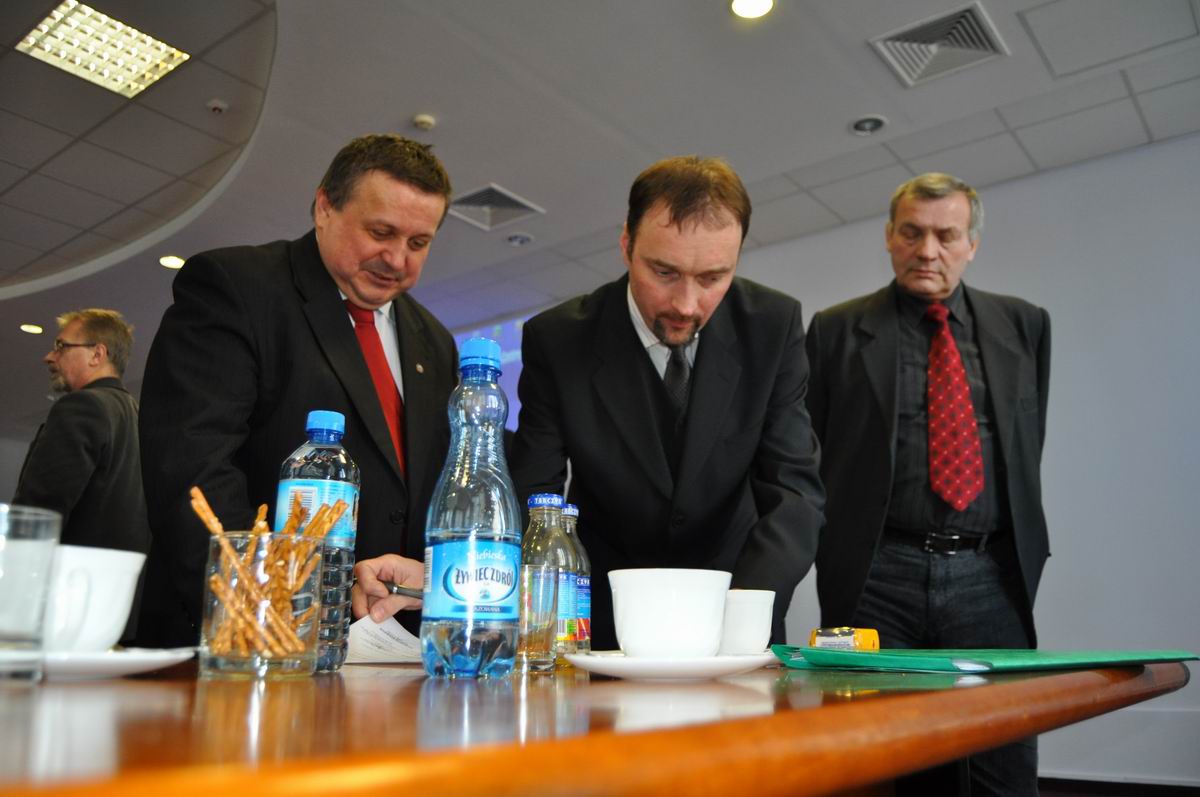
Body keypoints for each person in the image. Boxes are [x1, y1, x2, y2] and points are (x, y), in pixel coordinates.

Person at [137, 135, 456, 646]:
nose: (397, 259)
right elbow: (192, 469)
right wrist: (272, 615)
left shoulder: (435, 341)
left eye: (418, 243)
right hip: (245, 633)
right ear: (324, 207)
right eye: (381, 232)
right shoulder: (236, 286)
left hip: (386, 646)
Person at [506, 155, 825, 650]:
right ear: (626, 245)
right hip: (603, 615)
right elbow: (536, 493)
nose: (686, 305)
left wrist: (743, 612)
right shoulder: (558, 340)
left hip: (735, 604)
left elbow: (794, 494)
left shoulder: (772, 326)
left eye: (713, 277)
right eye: (664, 272)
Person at [805, 172, 1050, 795]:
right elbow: (811, 455)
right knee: (879, 762)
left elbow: (1027, 444)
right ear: (890, 236)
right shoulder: (835, 330)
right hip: (876, 579)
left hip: (990, 577)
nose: (928, 250)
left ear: (972, 244)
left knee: (1004, 765)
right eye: (912, 233)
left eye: (947, 235)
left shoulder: (1025, 325)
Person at [14, 309, 149, 643]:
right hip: (118, 612)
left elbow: (40, 512)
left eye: (61, 346)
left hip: (65, 610)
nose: (50, 357)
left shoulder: (81, 407)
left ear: (97, 354)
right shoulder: (139, 418)